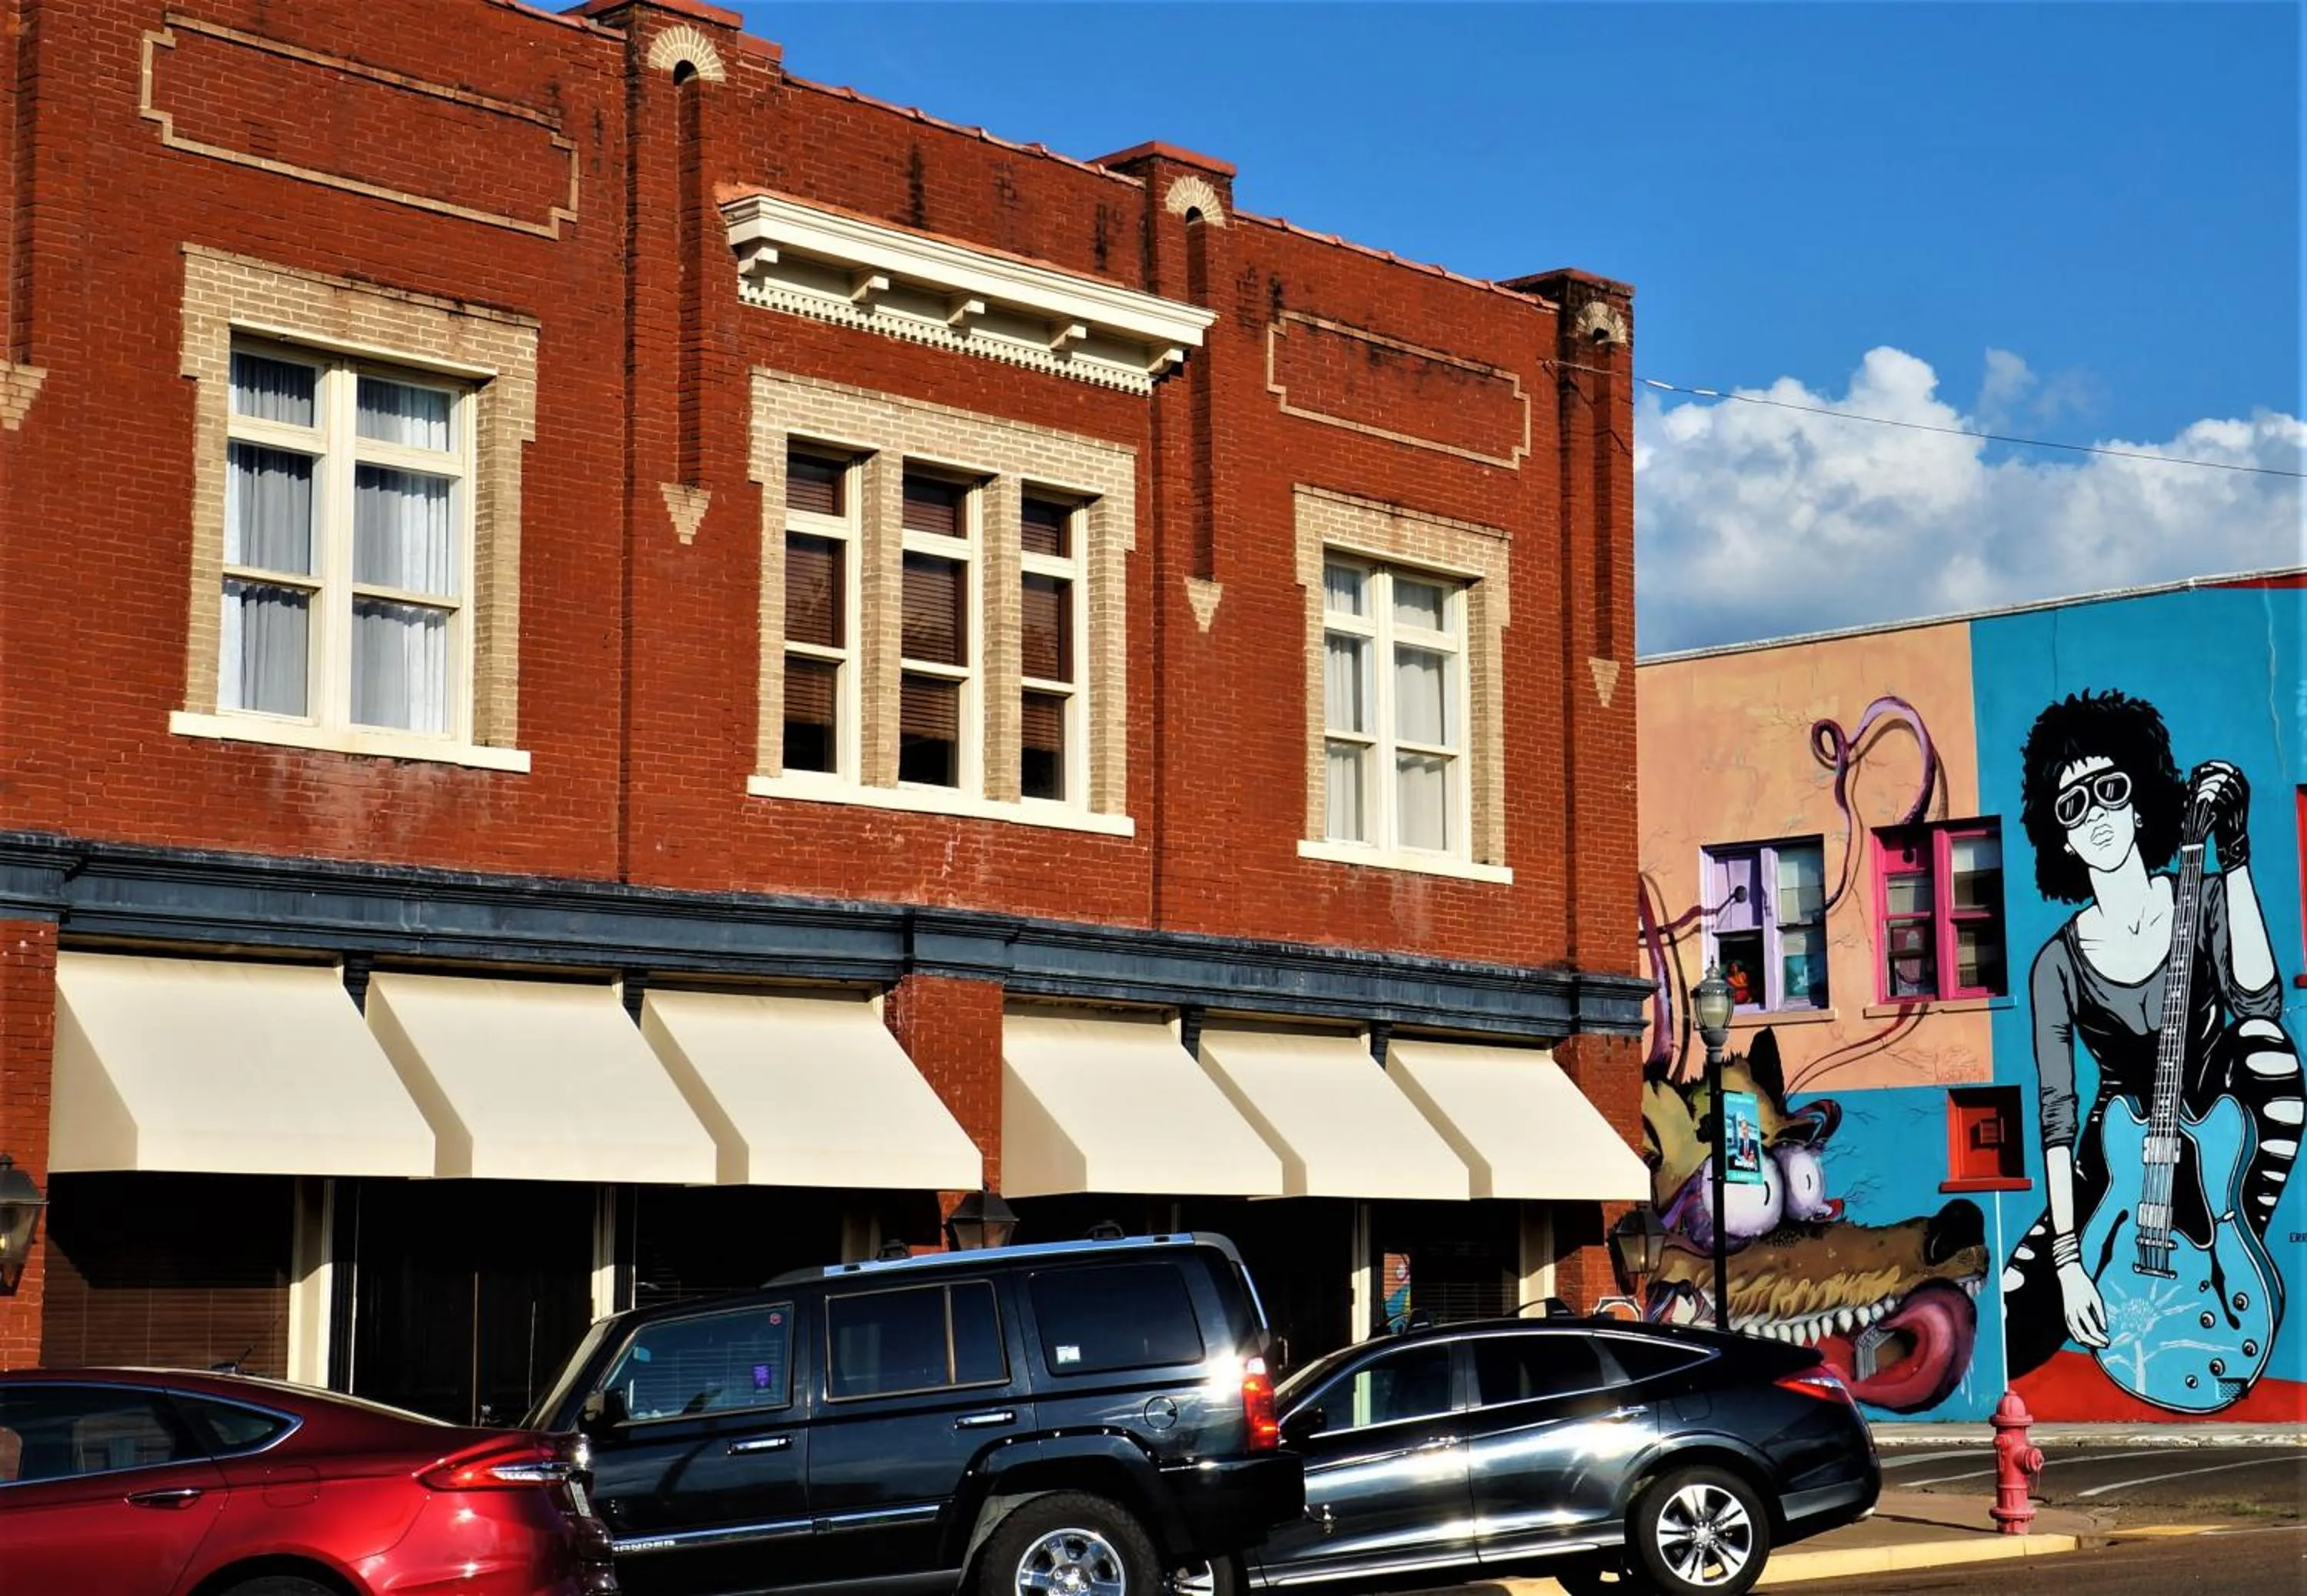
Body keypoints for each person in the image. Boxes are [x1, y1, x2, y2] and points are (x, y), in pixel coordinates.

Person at [2002, 690, 2298, 1380]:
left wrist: (2238, 855)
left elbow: (2259, 999)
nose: (2096, 814)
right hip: (2115, 1149)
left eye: (2109, 789)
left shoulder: (2203, 893)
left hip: (2216, 1114)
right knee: (2016, 1321)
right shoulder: (2056, 962)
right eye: (2073, 804)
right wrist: (2070, 1264)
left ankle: (2233, 1231)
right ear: (2062, 838)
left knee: (2269, 1054)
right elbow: (2056, 1113)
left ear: (2139, 802)